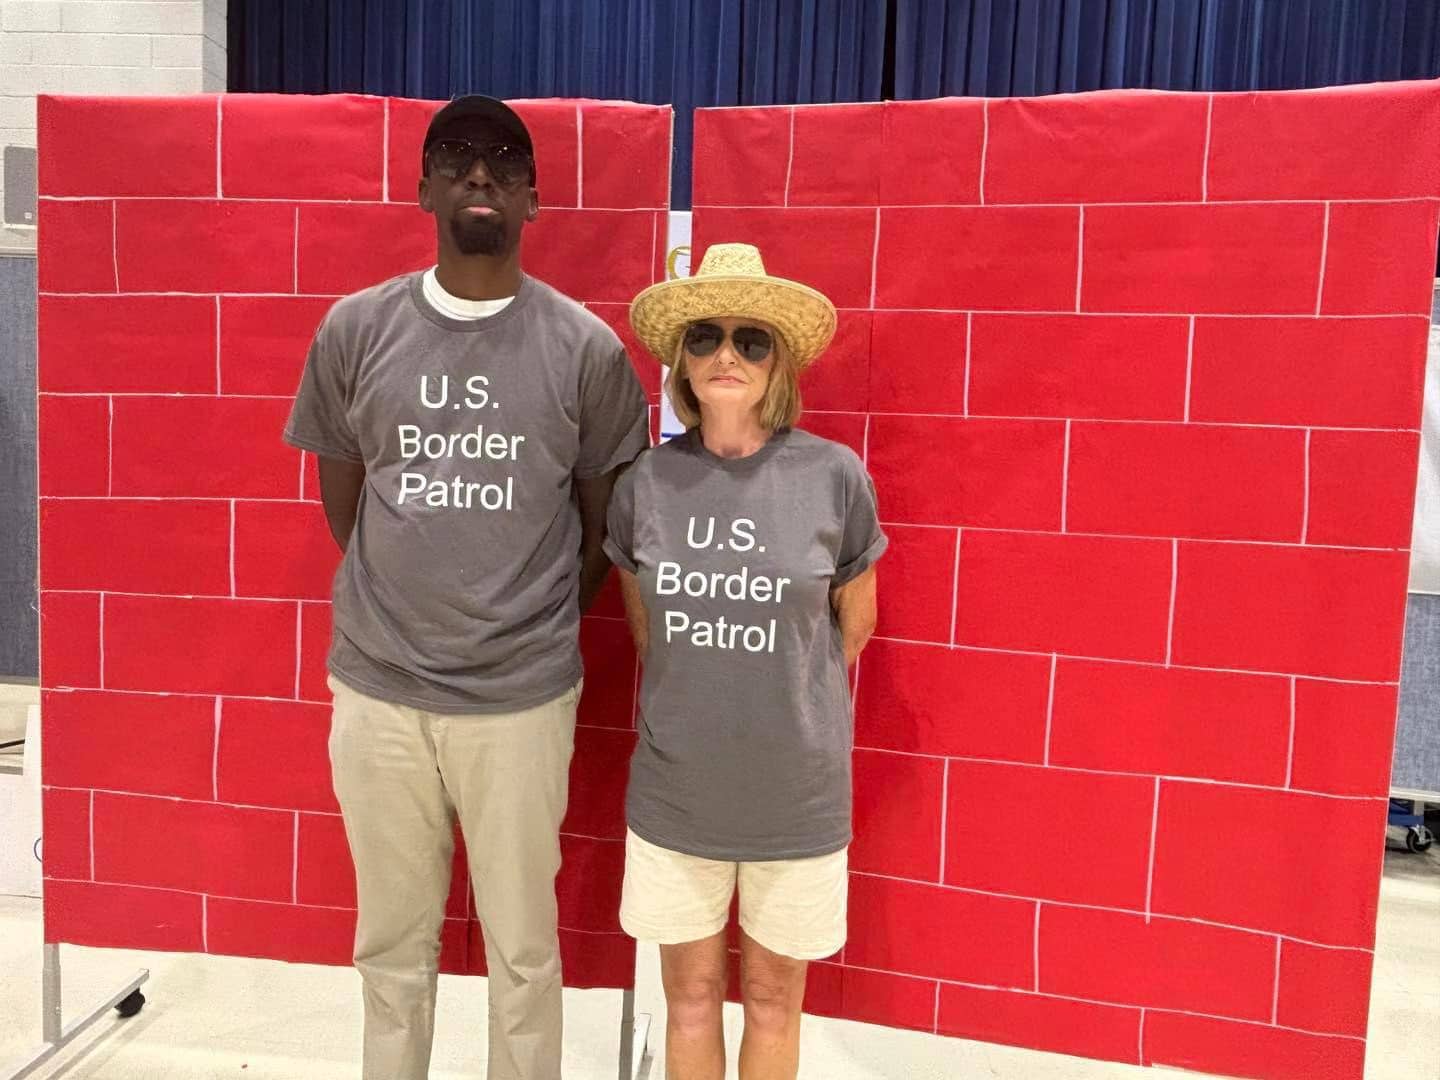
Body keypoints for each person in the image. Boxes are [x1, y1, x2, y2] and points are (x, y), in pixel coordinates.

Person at [282, 95, 649, 1080]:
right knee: (391, 948)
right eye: (456, 156)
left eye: (502, 159)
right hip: (379, 693)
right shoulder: (355, 330)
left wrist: (522, 624)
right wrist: (414, 605)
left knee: (524, 952)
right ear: (424, 186)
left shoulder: (586, 350)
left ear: (532, 195)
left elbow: (602, 527)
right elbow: (347, 507)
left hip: (519, 700)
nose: (479, 172)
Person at [605, 243, 886, 1080]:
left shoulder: (834, 477)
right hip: (677, 792)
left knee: (772, 1000)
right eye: (705, 337)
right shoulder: (644, 484)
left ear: (779, 361)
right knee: (687, 998)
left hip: (793, 796)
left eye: (750, 340)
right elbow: (647, 630)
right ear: (681, 363)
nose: (726, 355)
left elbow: (852, 628)